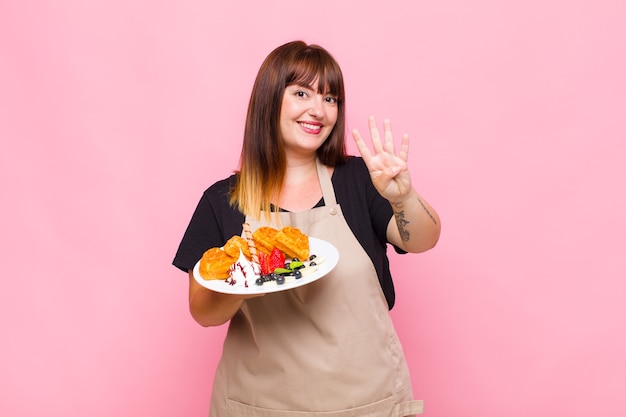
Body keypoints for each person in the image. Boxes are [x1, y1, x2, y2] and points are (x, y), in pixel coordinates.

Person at [173, 40, 441, 417]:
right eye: (302, 93)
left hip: (366, 402)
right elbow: (203, 311)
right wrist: (246, 279)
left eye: (330, 99)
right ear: (269, 100)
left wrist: (403, 197)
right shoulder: (223, 200)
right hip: (260, 405)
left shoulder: (361, 180)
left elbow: (423, 241)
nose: (319, 110)